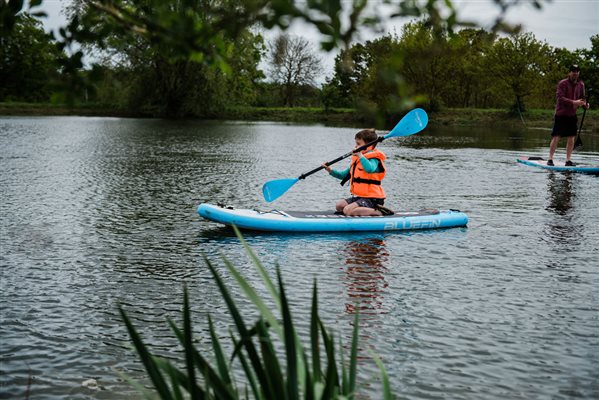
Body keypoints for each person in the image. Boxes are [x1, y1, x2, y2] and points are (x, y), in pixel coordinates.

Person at [322, 128, 392, 216]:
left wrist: (360, 155)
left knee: (348, 210)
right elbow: (343, 175)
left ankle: (380, 212)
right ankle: (355, 211)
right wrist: (330, 170)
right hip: (361, 197)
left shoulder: (374, 159)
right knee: (339, 206)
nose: (355, 146)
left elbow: (369, 169)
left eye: (358, 144)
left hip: (373, 198)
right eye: (356, 143)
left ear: (369, 146)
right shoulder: (357, 161)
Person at [547, 64, 589, 166]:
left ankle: (568, 160)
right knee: (556, 136)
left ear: (579, 73)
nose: (575, 73)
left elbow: (582, 98)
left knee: (571, 137)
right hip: (561, 114)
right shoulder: (562, 83)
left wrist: (585, 105)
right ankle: (550, 159)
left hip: (572, 115)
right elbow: (560, 98)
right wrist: (574, 102)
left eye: (577, 71)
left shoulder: (581, 84)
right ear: (569, 72)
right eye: (573, 71)